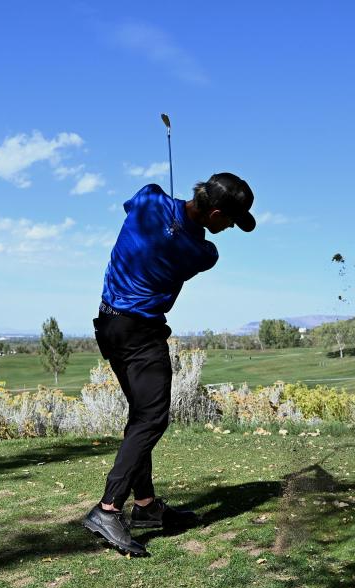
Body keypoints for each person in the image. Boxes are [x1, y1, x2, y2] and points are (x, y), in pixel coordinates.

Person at [83, 172, 255, 556]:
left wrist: (170, 215)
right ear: (213, 213)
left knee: (140, 415)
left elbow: (139, 205)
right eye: (228, 221)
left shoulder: (149, 198)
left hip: (108, 324)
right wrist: (178, 227)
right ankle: (108, 509)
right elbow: (189, 243)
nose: (227, 228)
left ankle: (145, 507)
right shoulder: (202, 253)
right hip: (141, 335)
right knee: (152, 418)